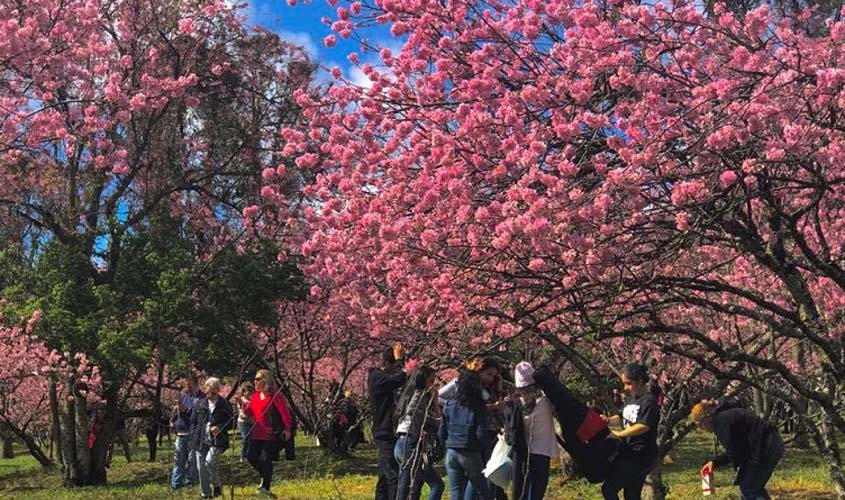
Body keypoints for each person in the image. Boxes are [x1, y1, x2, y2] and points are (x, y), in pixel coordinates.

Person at [690, 399, 784, 500]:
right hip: (770, 443)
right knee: (751, 488)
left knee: (749, 489)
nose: (701, 428)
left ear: (707, 417)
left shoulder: (721, 423)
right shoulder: (724, 416)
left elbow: (734, 452)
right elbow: (738, 449)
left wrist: (715, 463)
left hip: (765, 447)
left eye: (699, 424)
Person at [600, 363, 660, 500]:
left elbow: (643, 426)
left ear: (639, 381)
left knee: (609, 489)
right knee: (631, 495)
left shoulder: (649, 402)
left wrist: (620, 434)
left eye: (628, 383)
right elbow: (622, 418)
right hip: (629, 452)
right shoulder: (631, 399)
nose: (625, 388)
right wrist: (608, 420)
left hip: (641, 455)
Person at [440, 369, 494, 500]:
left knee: (456, 492)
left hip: (451, 451)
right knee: (482, 490)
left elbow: (442, 430)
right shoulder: (477, 405)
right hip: (469, 451)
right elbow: (481, 433)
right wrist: (489, 448)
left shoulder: (450, 403)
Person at [239, 369, 293, 497]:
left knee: (265, 460)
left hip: (270, 434)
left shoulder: (275, 396)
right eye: (255, 379)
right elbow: (250, 410)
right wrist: (243, 410)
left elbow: (285, 414)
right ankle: (265, 477)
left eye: (258, 379)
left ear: (266, 380)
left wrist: (287, 429)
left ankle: (266, 489)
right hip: (256, 433)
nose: (255, 382)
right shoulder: (256, 396)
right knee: (251, 457)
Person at [394, 365, 445, 500]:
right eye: (431, 380)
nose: (433, 384)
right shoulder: (420, 393)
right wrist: (434, 406)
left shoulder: (409, 394)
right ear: (423, 380)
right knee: (437, 484)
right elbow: (413, 411)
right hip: (409, 442)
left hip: (402, 441)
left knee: (408, 486)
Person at [507, 362, 556, 500]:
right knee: (537, 492)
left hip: (524, 454)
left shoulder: (517, 405)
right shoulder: (546, 401)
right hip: (542, 453)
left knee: (524, 490)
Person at [369, 343, 408, 500]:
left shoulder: (381, 378)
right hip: (383, 431)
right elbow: (399, 378)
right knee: (393, 473)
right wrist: (400, 360)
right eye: (393, 366)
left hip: (387, 430)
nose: (395, 370)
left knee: (385, 475)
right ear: (385, 364)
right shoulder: (377, 377)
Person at [190, 377, 234, 499]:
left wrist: (220, 427)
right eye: (207, 390)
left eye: (212, 391)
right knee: (201, 467)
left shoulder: (224, 404)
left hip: (217, 440)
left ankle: (216, 484)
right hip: (201, 439)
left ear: (217, 390)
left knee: (210, 462)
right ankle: (206, 494)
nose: (208, 394)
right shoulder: (200, 404)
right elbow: (192, 421)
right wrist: (194, 434)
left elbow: (231, 421)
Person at [171, 374, 205, 490]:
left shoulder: (201, 398)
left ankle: (190, 483)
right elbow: (177, 412)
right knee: (178, 460)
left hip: (193, 433)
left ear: (196, 383)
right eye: (186, 383)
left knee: (192, 460)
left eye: (190, 384)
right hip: (181, 431)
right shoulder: (182, 395)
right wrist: (173, 420)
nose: (188, 386)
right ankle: (175, 484)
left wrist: (186, 410)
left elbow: (199, 416)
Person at [236, 383, 255, 462]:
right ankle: (243, 455)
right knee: (246, 437)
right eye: (247, 391)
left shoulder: (254, 400)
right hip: (243, 422)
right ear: (243, 392)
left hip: (252, 421)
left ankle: (249, 455)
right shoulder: (242, 400)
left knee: (252, 439)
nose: (249, 393)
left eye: (251, 391)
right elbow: (243, 413)